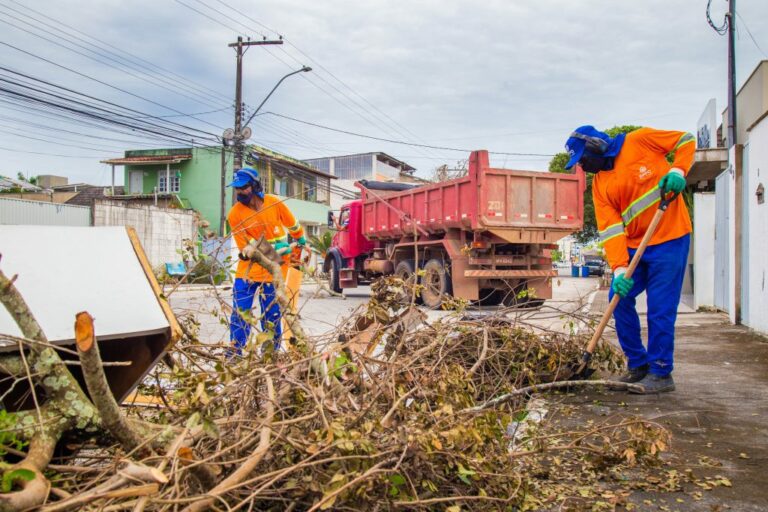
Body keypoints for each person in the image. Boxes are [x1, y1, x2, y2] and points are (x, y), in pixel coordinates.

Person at [564, 126, 695, 393]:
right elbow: (610, 231)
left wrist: (678, 170)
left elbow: (686, 140)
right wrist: (621, 268)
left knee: (660, 308)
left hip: (670, 238)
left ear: (597, 146)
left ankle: (660, 373)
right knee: (618, 297)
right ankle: (638, 365)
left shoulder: (640, 140)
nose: (584, 167)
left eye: (584, 160)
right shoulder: (600, 186)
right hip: (636, 247)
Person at [226, 167, 306, 355]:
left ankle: (270, 353)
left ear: (255, 185)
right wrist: (278, 251)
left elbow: (292, 223)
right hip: (249, 271)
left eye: (243, 187)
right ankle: (235, 353)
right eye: (237, 188)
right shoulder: (234, 214)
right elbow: (246, 247)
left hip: (275, 272)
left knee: (272, 314)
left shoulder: (274, 203)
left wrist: (300, 239)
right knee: (240, 313)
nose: (239, 192)